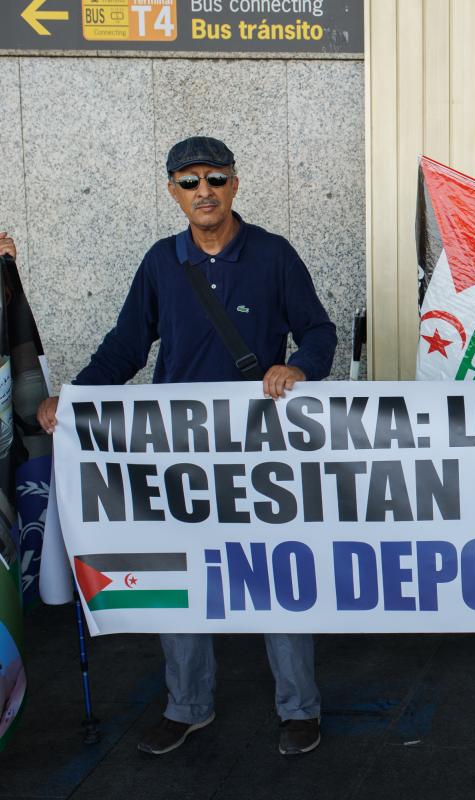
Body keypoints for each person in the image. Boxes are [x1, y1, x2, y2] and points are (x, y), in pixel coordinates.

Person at [36, 137, 337, 756]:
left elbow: (317, 329)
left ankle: (298, 709)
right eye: (190, 180)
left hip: (261, 452)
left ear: (235, 185)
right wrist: (76, 398)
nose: (205, 190)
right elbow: (126, 346)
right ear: (173, 191)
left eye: (216, 178)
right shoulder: (160, 262)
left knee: (273, 575)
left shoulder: (274, 255)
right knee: (177, 578)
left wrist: (300, 368)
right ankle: (187, 706)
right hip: (174, 453)